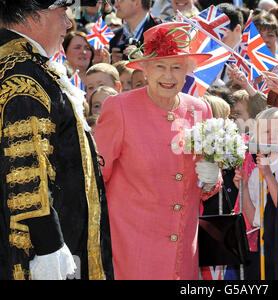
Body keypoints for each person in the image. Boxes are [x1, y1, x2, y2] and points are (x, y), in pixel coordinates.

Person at [94, 22, 221, 280]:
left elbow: (206, 179)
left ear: (188, 71)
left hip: (183, 252)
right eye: (160, 66)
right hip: (131, 253)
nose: (169, 76)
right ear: (146, 69)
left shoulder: (200, 109)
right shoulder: (119, 108)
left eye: (177, 67)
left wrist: (212, 180)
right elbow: (95, 178)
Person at [0, 0, 114, 280]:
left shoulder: (26, 66)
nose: (68, 24)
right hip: (34, 250)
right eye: (63, 14)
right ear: (34, 16)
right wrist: (49, 246)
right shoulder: (24, 74)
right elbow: (26, 168)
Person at [234, 107, 278, 279]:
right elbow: (254, 219)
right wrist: (242, 189)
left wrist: (267, 174)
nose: (272, 135)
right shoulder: (257, 171)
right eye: (266, 131)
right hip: (266, 244)